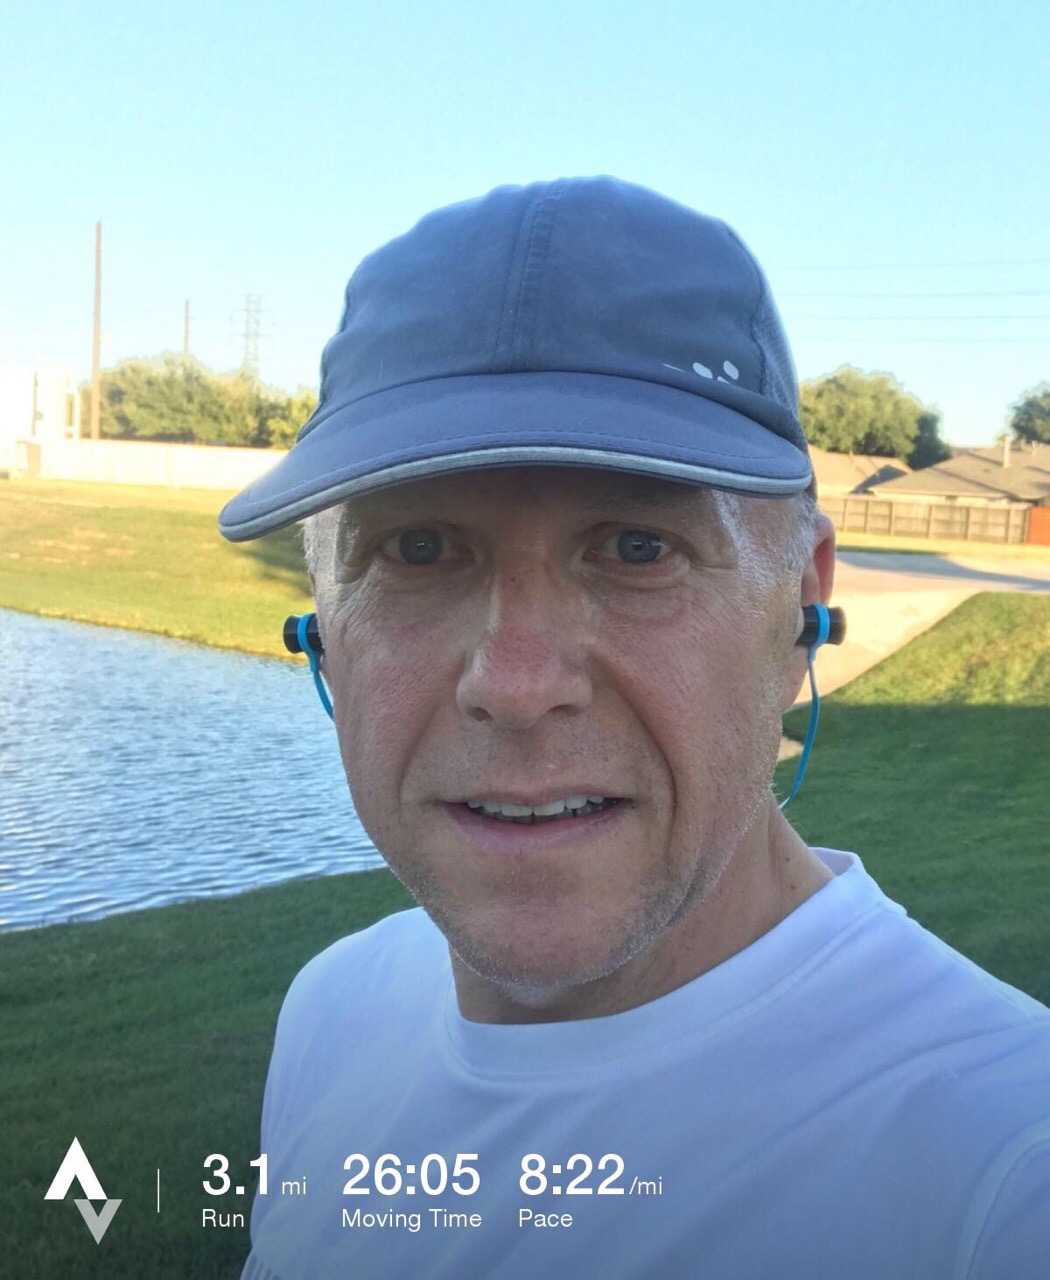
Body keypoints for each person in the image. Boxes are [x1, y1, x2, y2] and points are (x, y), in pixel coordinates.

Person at [218, 177, 1049, 1280]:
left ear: (799, 608)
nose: (517, 686)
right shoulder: (333, 1011)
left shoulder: (1000, 1172)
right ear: (324, 618)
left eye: (638, 548)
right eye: (417, 550)